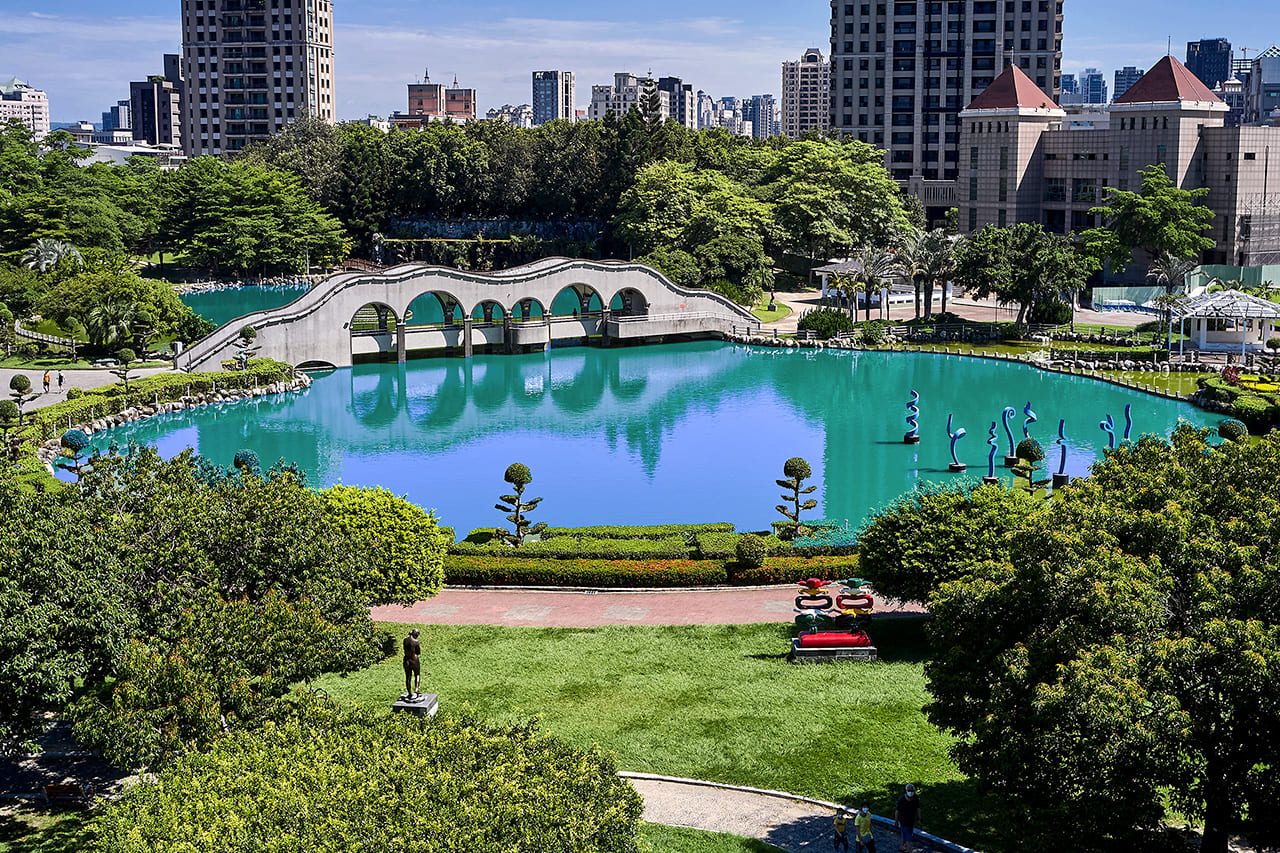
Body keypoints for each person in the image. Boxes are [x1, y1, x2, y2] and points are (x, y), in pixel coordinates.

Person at [894, 784, 921, 853]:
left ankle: (902, 846)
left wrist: (919, 819)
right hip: (903, 821)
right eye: (909, 790)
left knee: (905, 834)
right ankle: (909, 850)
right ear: (906, 791)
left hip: (911, 821)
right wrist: (896, 821)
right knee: (909, 838)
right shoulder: (901, 800)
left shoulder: (915, 798)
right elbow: (897, 811)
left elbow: (918, 809)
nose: (910, 792)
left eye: (912, 790)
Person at [402, 628, 421, 698]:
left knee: (408, 677)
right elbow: (418, 652)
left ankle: (409, 692)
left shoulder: (405, 640)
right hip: (414, 659)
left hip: (406, 659)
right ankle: (416, 689)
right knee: (417, 674)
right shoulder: (416, 642)